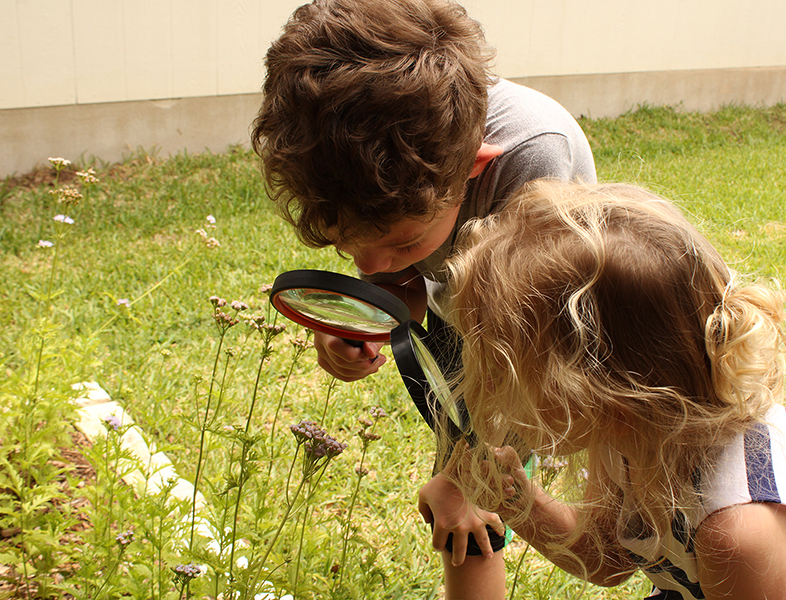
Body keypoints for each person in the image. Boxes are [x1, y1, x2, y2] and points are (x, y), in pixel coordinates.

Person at [250, 0, 597, 596]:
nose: (369, 267)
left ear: (472, 169)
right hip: (457, 293)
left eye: (401, 240)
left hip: (541, 321)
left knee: (470, 508)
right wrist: (356, 315)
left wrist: (463, 476)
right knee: (461, 509)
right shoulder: (351, 165)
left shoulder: (533, 160)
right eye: (345, 243)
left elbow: (521, 353)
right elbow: (395, 277)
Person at [441, 180, 786, 599]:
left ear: (592, 393)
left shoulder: (735, 529)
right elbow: (610, 557)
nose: (490, 387)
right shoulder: (634, 430)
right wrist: (520, 501)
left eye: (504, 370)